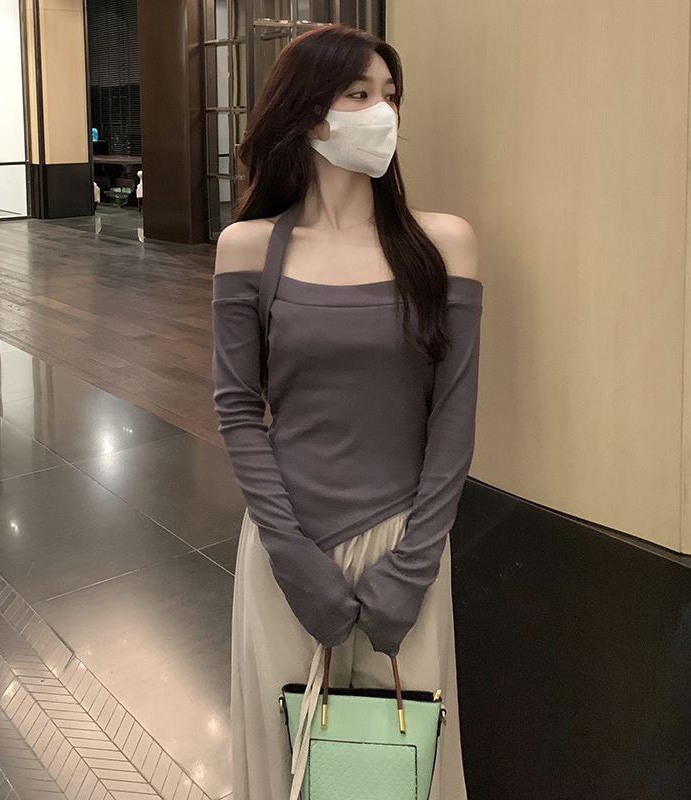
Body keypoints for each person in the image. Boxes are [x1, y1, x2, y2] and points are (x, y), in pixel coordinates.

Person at [211, 23, 483, 800]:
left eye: (390, 95)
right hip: (286, 549)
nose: (382, 113)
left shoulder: (443, 245)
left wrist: (416, 563)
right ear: (307, 115)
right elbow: (238, 410)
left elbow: (454, 416)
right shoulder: (247, 247)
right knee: (290, 764)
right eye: (359, 94)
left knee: (399, 766)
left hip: (406, 547)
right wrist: (293, 560)